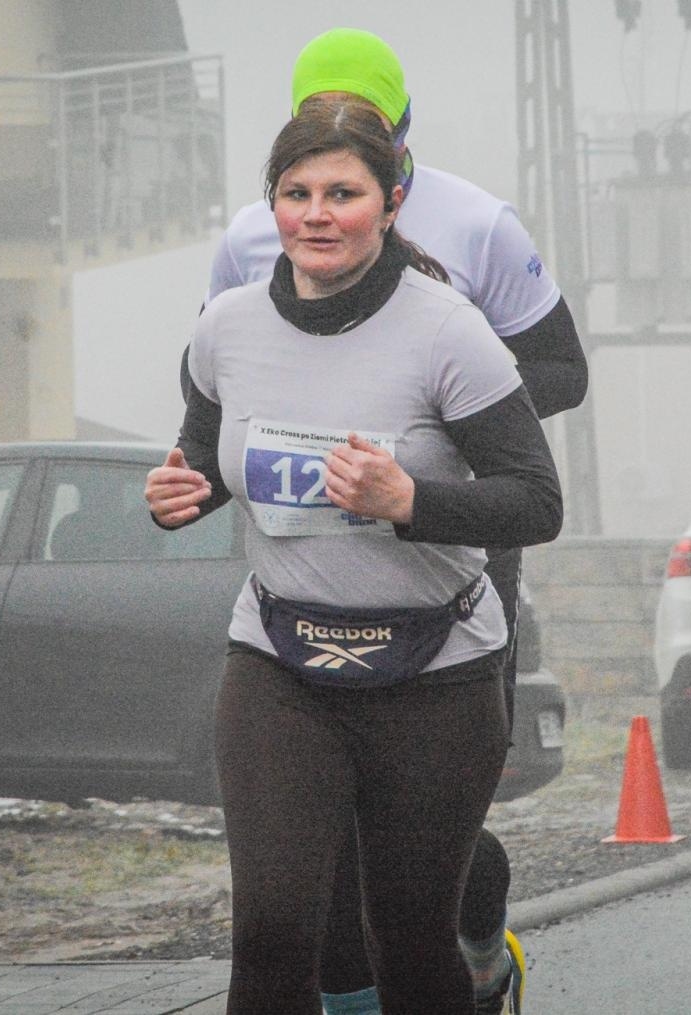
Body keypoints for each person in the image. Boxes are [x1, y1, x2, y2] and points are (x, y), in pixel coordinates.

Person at [196, 27, 588, 1015]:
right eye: (298, 188)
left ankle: (475, 935)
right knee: (284, 915)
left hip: (443, 594)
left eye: (347, 183)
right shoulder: (244, 264)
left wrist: (426, 454)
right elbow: (218, 415)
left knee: (408, 908)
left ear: (397, 161)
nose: (317, 212)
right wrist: (192, 484)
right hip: (287, 633)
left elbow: (552, 408)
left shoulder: (471, 243)